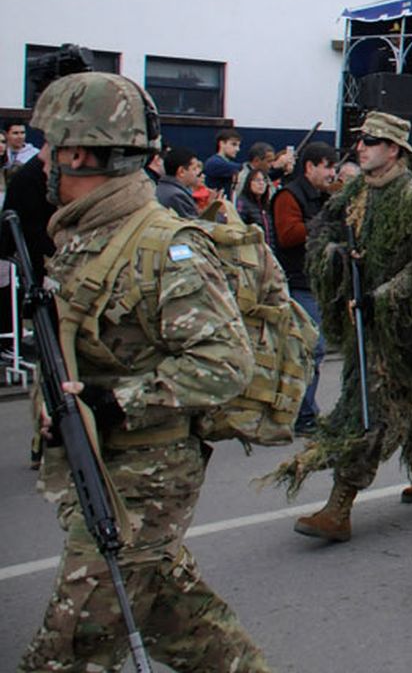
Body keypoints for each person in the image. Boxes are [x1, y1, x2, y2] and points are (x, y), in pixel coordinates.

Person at [19, 72, 269, 672]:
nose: (42, 160)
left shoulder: (160, 243)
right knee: (180, 622)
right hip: (109, 465)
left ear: (78, 152)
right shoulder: (85, 232)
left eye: (50, 146)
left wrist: (112, 404)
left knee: (69, 647)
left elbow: (225, 362)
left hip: (147, 474)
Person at [267, 112, 412, 540]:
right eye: (361, 139)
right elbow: (319, 233)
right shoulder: (356, 192)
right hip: (368, 320)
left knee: (370, 413)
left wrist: (382, 297)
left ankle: (340, 505)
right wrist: (338, 256)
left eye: (372, 141)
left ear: (394, 149)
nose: (361, 146)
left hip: (411, 326)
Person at [270, 141, 338, 435]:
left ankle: (302, 412)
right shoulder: (289, 196)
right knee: (311, 350)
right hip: (298, 283)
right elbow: (287, 235)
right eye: (328, 167)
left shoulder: (321, 196)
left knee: (309, 351)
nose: (332, 174)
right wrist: (323, 222)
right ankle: (303, 415)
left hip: (314, 282)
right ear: (309, 167)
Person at [156, 146, 201, 218]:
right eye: (194, 169)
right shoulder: (177, 196)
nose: (198, 173)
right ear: (181, 171)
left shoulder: (161, 187)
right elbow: (196, 225)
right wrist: (217, 211)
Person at [202, 127, 243, 196]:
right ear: (221, 143)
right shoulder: (214, 162)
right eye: (234, 144)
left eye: (238, 145)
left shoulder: (226, 163)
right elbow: (241, 168)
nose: (237, 149)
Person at [236, 167, 273, 233]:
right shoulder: (242, 203)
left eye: (264, 180)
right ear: (249, 182)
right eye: (257, 180)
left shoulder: (268, 205)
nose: (261, 183)